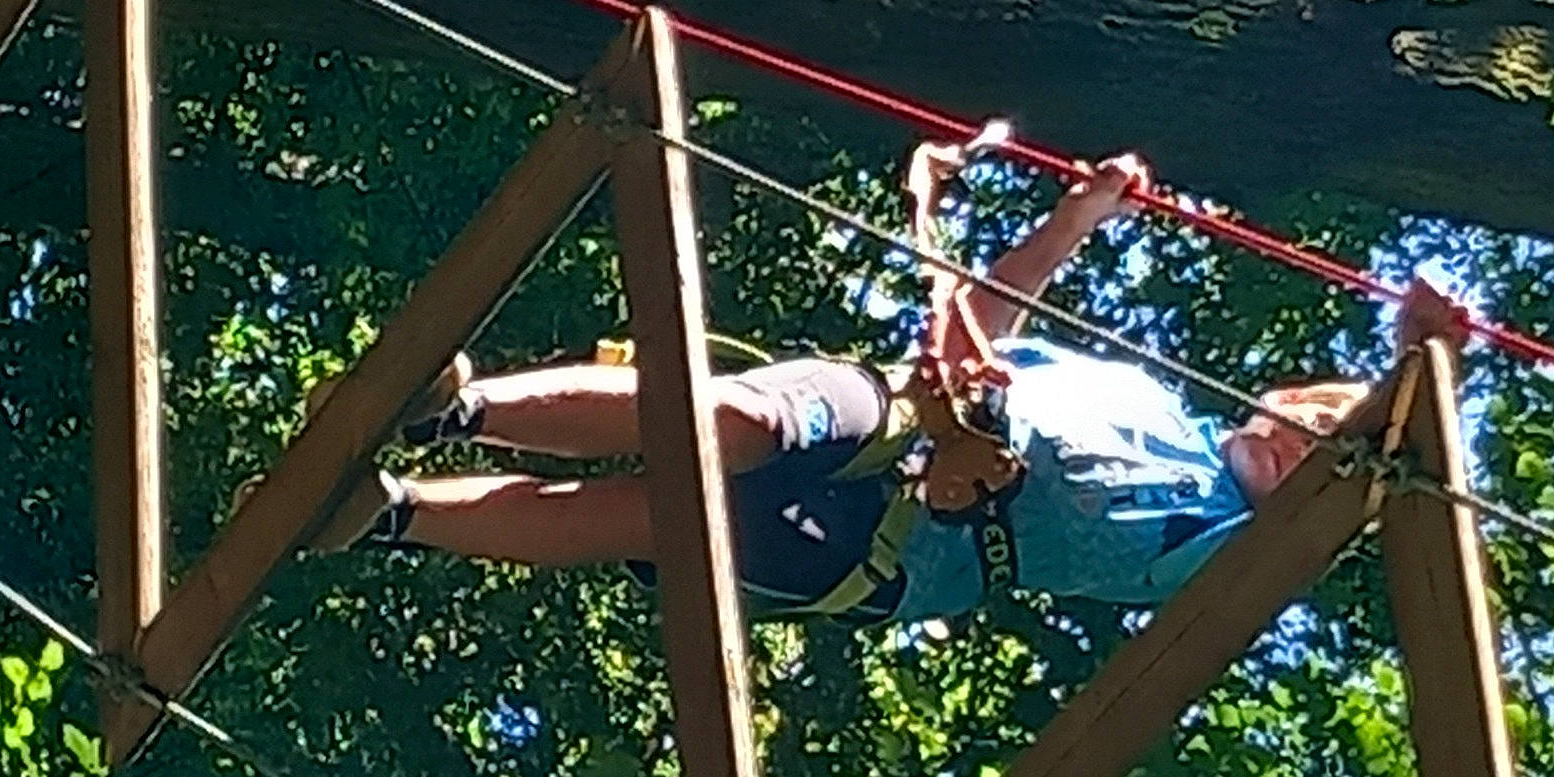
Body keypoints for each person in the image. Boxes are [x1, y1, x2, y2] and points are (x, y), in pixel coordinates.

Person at [292, 136, 1448, 622]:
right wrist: (1075, 214)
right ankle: (453, 406)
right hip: (897, 408)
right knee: (735, 415)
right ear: (1280, 397)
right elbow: (988, 319)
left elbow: (1349, 498)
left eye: (1331, 451)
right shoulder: (1148, 401)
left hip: (910, 547)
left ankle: (391, 515)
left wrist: (1417, 363)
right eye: (1312, 416)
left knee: (643, 517)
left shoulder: (1226, 548)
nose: (1304, 443)